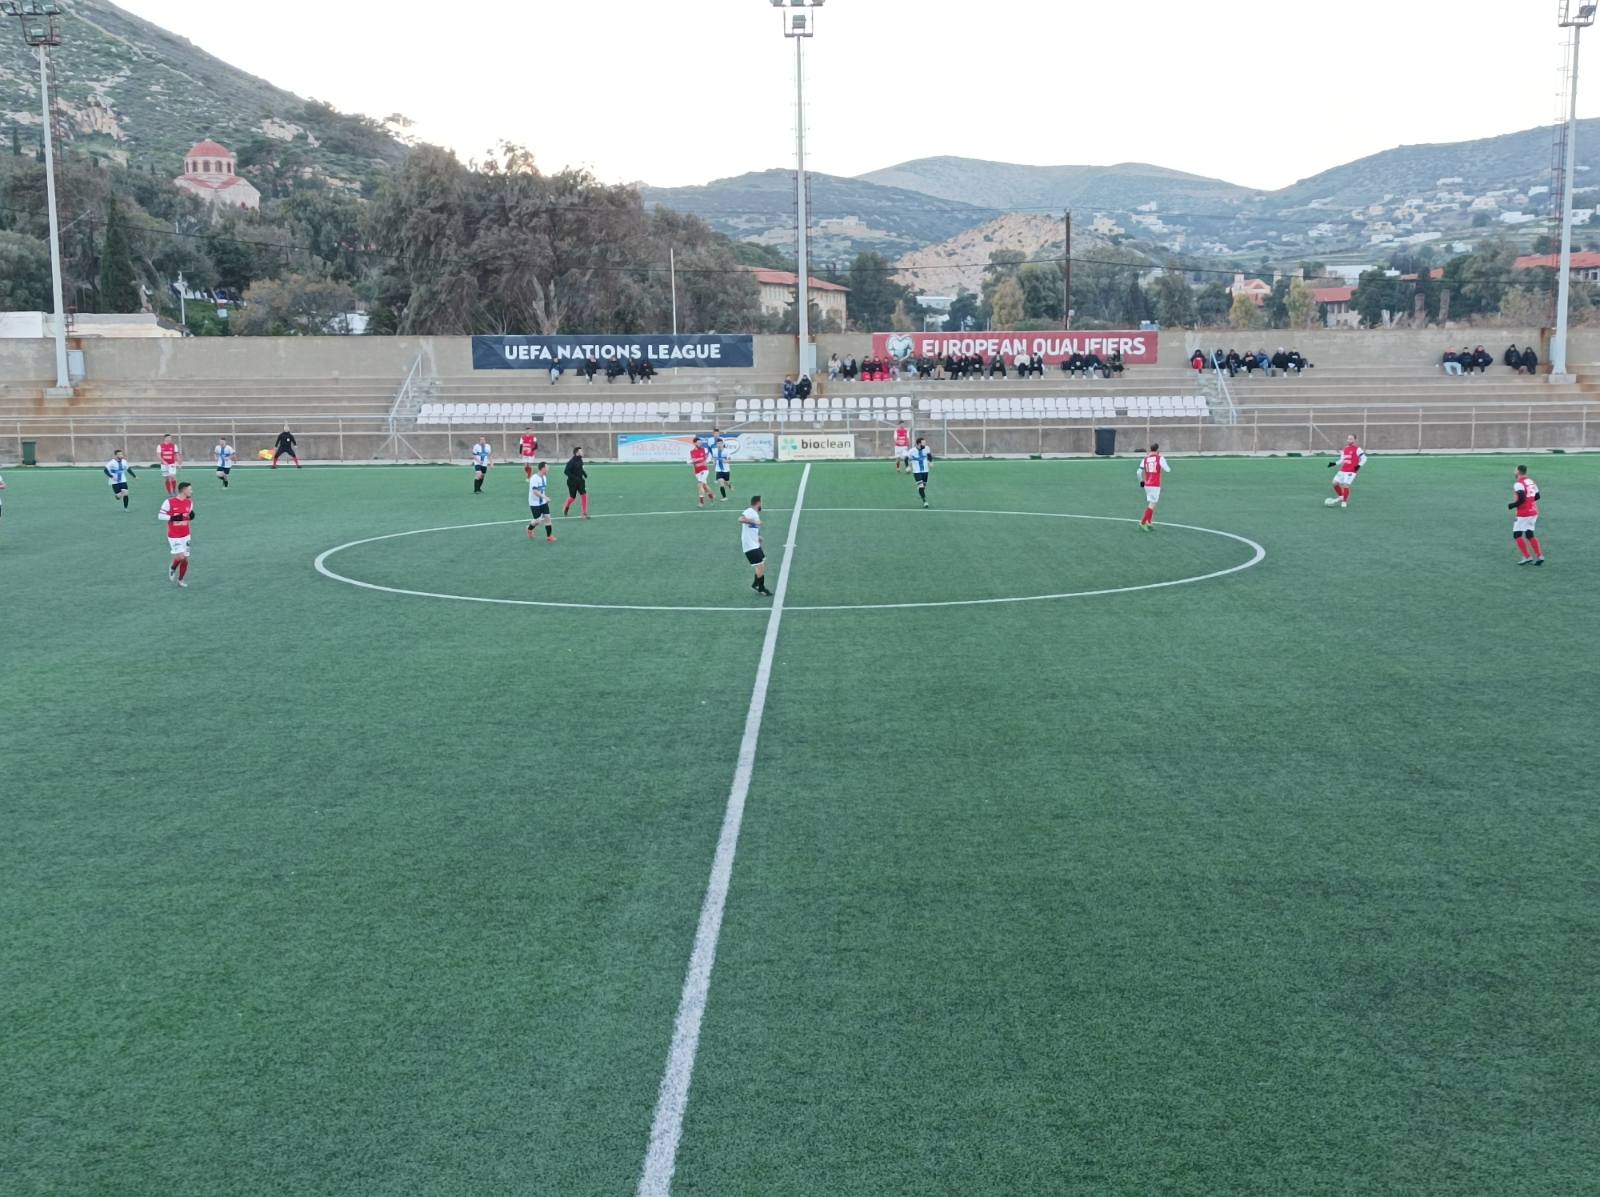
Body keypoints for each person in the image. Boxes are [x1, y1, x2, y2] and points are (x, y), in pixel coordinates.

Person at [158, 480, 196, 587]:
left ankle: (180, 580)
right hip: (174, 535)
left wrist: (190, 516)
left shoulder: (189, 503)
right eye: (190, 489)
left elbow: (188, 515)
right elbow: (160, 516)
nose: (191, 491)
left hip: (186, 535)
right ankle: (173, 567)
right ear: (184, 490)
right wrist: (174, 517)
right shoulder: (169, 502)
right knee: (181, 557)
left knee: (185, 560)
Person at [1509, 465, 1545, 565]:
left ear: (1518, 471)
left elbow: (1521, 498)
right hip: (1533, 511)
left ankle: (1527, 556)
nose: (1514, 472)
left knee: (1517, 534)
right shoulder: (1531, 481)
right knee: (1529, 534)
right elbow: (1537, 496)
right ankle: (1540, 556)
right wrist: (1530, 503)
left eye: (1515, 470)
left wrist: (1512, 505)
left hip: (1523, 513)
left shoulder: (1518, 484)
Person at [740, 496, 772, 596]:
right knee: (760, 566)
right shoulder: (750, 511)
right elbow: (741, 519)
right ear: (758, 503)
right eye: (761, 502)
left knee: (762, 564)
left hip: (754, 544)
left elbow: (750, 528)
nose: (762, 504)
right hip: (750, 546)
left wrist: (758, 537)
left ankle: (755, 584)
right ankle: (761, 588)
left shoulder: (755, 514)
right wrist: (755, 521)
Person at [1325, 434, 1367, 508]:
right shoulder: (1345, 449)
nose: (1349, 440)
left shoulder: (1358, 449)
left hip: (1351, 471)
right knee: (1334, 483)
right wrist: (1333, 464)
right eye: (1348, 439)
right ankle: (1341, 496)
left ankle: (1344, 501)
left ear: (1354, 440)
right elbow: (1342, 460)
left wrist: (1358, 466)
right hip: (1343, 470)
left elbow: (1364, 458)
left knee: (1345, 485)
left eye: (1351, 439)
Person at [1137, 443, 1170, 530]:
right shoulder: (1160, 458)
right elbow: (1168, 470)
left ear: (1150, 449)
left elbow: (1138, 472)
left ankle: (1149, 522)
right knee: (1152, 503)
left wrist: (1141, 482)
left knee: (1153, 502)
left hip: (1147, 484)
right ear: (1157, 450)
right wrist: (1163, 463)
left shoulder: (1145, 459)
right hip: (1155, 484)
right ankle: (1142, 523)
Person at [526, 462, 556, 543]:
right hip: (534, 503)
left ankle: (549, 536)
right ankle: (529, 529)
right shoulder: (534, 478)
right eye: (547, 467)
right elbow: (535, 491)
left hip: (543, 502)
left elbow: (542, 490)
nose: (548, 469)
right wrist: (545, 497)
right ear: (542, 468)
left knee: (547, 517)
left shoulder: (544, 477)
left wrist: (544, 499)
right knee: (538, 521)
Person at [562, 447, 589, 518]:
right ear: (577, 453)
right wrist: (575, 478)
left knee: (584, 495)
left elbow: (580, 468)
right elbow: (566, 471)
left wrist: (584, 473)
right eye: (581, 451)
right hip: (572, 483)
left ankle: (584, 513)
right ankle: (566, 507)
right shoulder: (571, 462)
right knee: (572, 497)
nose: (582, 452)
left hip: (580, 481)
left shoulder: (580, 460)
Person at [689, 439, 714, 507]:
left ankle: (701, 502)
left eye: (701, 443)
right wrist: (697, 460)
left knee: (699, 485)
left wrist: (703, 461)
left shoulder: (704, 450)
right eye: (698, 443)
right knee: (704, 486)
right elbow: (691, 460)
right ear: (695, 443)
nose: (700, 444)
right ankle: (711, 496)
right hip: (697, 471)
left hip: (704, 470)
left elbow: (708, 458)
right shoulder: (692, 452)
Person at [710, 431, 733, 501]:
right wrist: (713, 466)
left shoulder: (727, 451)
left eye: (720, 443)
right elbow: (714, 460)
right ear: (716, 444)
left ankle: (729, 484)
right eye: (718, 443)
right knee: (721, 482)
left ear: (723, 444)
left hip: (726, 469)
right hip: (718, 469)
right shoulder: (714, 451)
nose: (719, 445)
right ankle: (724, 497)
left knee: (727, 482)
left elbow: (730, 461)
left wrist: (723, 460)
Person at [910, 437, 932, 508]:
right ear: (919, 444)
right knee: (921, 486)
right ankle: (925, 501)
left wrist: (930, 462)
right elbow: (907, 458)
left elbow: (929, 455)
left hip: (925, 471)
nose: (925, 444)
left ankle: (920, 491)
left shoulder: (927, 448)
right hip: (917, 471)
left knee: (923, 486)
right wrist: (907, 466)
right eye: (923, 443)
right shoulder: (912, 451)